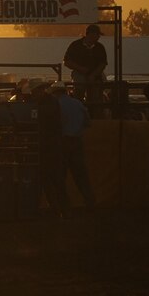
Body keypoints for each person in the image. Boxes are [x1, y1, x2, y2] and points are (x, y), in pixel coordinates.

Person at [52, 81, 96, 210]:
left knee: (60, 175)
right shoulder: (77, 103)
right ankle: (89, 201)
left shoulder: (57, 105)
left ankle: (63, 205)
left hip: (62, 142)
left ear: (55, 93)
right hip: (77, 141)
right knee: (81, 175)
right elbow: (88, 123)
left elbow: (55, 125)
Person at [28, 78, 68, 217]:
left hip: (50, 146)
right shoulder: (49, 102)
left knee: (54, 180)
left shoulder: (47, 104)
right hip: (50, 146)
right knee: (51, 180)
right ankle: (59, 209)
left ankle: (61, 209)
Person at [63, 24, 107, 113]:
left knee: (98, 90)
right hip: (79, 72)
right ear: (90, 34)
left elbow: (103, 63)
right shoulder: (76, 45)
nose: (98, 37)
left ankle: (96, 112)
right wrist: (81, 69)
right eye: (97, 35)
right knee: (79, 86)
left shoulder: (100, 47)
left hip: (95, 73)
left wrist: (94, 75)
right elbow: (67, 61)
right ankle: (78, 109)